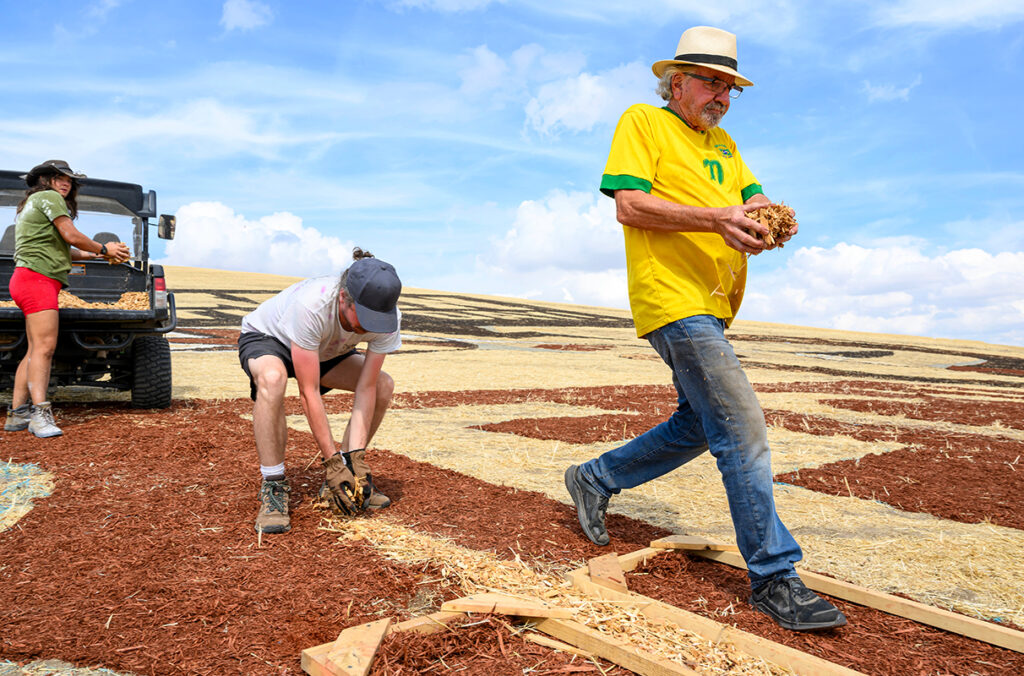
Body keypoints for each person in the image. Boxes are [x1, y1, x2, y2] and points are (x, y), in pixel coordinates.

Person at [563, 27, 847, 632]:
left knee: (700, 421)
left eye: (728, 86)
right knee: (741, 427)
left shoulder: (726, 145)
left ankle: (595, 477)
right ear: (675, 82)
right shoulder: (644, 121)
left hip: (714, 306)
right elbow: (629, 206)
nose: (719, 95)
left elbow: (755, 195)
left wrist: (772, 219)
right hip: (672, 300)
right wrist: (719, 219)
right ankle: (774, 577)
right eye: (709, 81)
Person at [238, 248, 402, 534]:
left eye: (376, 321)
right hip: (271, 338)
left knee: (383, 385)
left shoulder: (388, 320)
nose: (368, 328)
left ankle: (351, 478)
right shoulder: (312, 305)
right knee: (273, 379)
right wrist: (331, 462)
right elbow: (309, 391)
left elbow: (367, 387)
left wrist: (354, 461)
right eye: (363, 318)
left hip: (324, 349)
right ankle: (273, 485)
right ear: (343, 298)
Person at [4, 160, 130, 438]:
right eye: (58, 177)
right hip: (37, 280)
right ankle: (40, 415)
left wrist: (101, 254)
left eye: (69, 180)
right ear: (45, 180)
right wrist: (105, 246)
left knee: (35, 349)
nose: (65, 183)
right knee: (46, 348)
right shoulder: (48, 198)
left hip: (28, 279)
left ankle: (17, 415)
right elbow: (71, 236)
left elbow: (67, 250)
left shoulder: (32, 205)